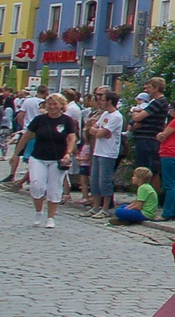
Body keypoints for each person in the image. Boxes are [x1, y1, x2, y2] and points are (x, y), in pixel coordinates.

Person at [23, 93, 78, 227]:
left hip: (57, 158)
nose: (52, 107)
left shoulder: (67, 120)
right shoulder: (39, 119)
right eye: (50, 104)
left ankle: (51, 217)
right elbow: (27, 136)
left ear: (61, 106)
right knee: (37, 184)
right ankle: (39, 210)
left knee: (54, 187)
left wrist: (68, 153)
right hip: (38, 156)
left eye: (55, 104)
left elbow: (72, 138)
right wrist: (17, 153)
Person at [89, 91, 125, 217]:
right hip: (98, 150)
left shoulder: (116, 116)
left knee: (105, 180)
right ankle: (95, 206)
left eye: (103, 100)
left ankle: (105, 208)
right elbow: (93, 128)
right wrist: (97, 131)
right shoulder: (105, 114)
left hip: (108, 152)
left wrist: (98, 131)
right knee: (94, 180)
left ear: (109, 101)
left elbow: (100, 133)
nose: (101, 102)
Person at [130, 77, 169, 192]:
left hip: (148, 139)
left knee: (148, 170)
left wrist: (134, 111)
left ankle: (149, 197)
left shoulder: (158, 102)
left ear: (156, 88)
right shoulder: (153, 102)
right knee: (146, 169)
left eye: (149, 88)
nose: (147, 91)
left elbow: (138, 117)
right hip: (144, 138)